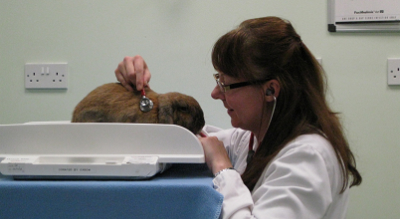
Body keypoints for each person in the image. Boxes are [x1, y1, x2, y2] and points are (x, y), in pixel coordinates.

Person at [115, 16, 362, 219]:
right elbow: (189, 140)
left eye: (226, 84)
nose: (215, 94)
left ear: (270, 90)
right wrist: (142, 96)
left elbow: (215, 155)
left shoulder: (308, 158)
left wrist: (223, 169)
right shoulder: (251, 140)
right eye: (217, 80)